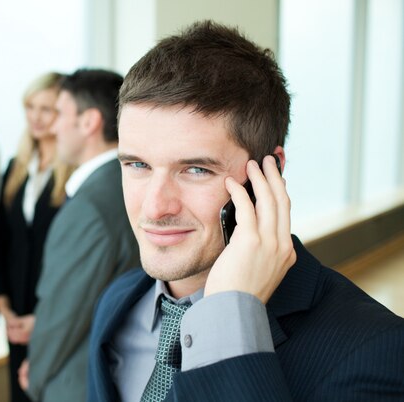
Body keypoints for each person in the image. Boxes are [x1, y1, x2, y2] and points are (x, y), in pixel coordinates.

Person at [88, 20, 404, 401]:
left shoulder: (375, 350)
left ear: (270, 172)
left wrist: (230, 316)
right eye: (137, 165)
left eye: (196, 170)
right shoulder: (118, 302)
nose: (155, 207)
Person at [18, 69, 140, 401]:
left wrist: (37, 376)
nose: (52, 127)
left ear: (89, 122)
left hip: (72, 381)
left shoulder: (90, 206)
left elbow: (62, 316)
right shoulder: (128, 182)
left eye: (59, 114)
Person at [0, 71, 74, 402]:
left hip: (57, 309)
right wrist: (5, 307)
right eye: (31, 107)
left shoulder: (72, 172)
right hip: (16, 310)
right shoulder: (17, 167)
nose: (36, 118)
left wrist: (43, 317)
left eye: (47, 109)